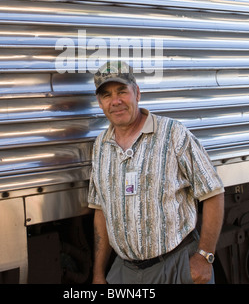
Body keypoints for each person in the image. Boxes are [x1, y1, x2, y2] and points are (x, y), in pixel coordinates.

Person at [88, 61, 224, 284]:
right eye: (107, 95)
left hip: (177, 265)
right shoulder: (101, 146)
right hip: (126, 272)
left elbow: (213, 193)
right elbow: (101, 210)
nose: (116, 101)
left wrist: (204, 256)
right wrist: (98, 273)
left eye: (122, 91)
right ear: (100, 103)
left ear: (137, 93)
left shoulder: (173, 133)